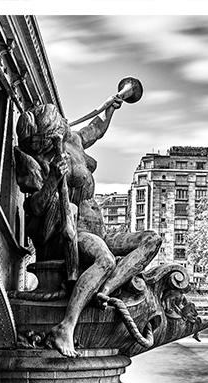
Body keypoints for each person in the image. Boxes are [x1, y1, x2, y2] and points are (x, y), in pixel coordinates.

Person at [14, 100, 161, 357]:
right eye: (38, 143)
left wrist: (111, 109)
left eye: (46, 140)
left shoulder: (73, 141)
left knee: (151, 240)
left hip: (98, 230)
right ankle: (66, 326)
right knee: (105, 259)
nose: (43, 146)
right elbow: (35, 207)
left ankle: (104, 290)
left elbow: (96, 129)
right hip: (72, 232)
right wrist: (53, 178)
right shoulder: (35, 162)